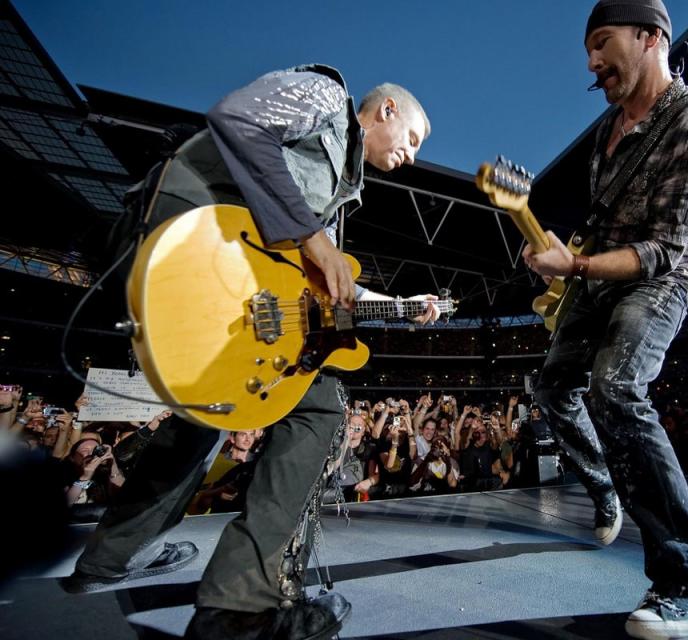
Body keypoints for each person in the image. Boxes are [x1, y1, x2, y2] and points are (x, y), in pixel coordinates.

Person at [62, 64, 437, 640]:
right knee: (321, 408)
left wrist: (399, 304)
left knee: (209, 412)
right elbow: (236, 119)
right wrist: (315, 240)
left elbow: (320, 280)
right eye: (413, 138)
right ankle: (240, 607)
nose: (412, 154)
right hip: (193, 238)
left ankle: (105, 562)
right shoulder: (326, 95)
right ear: (386, 110)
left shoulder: (339, 198)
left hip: (232, 283)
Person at [522, 1, 688, 638]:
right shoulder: (608, 130)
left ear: (650, 38)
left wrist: (578, 269)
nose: (591, 62)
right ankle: (604, 487)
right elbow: (603, 228)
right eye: (588, 49)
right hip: (599, 273)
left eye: (602, 42)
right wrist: (556, 258)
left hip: (661, 279)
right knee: (553, 387)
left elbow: (666, 246)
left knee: (615, 387)